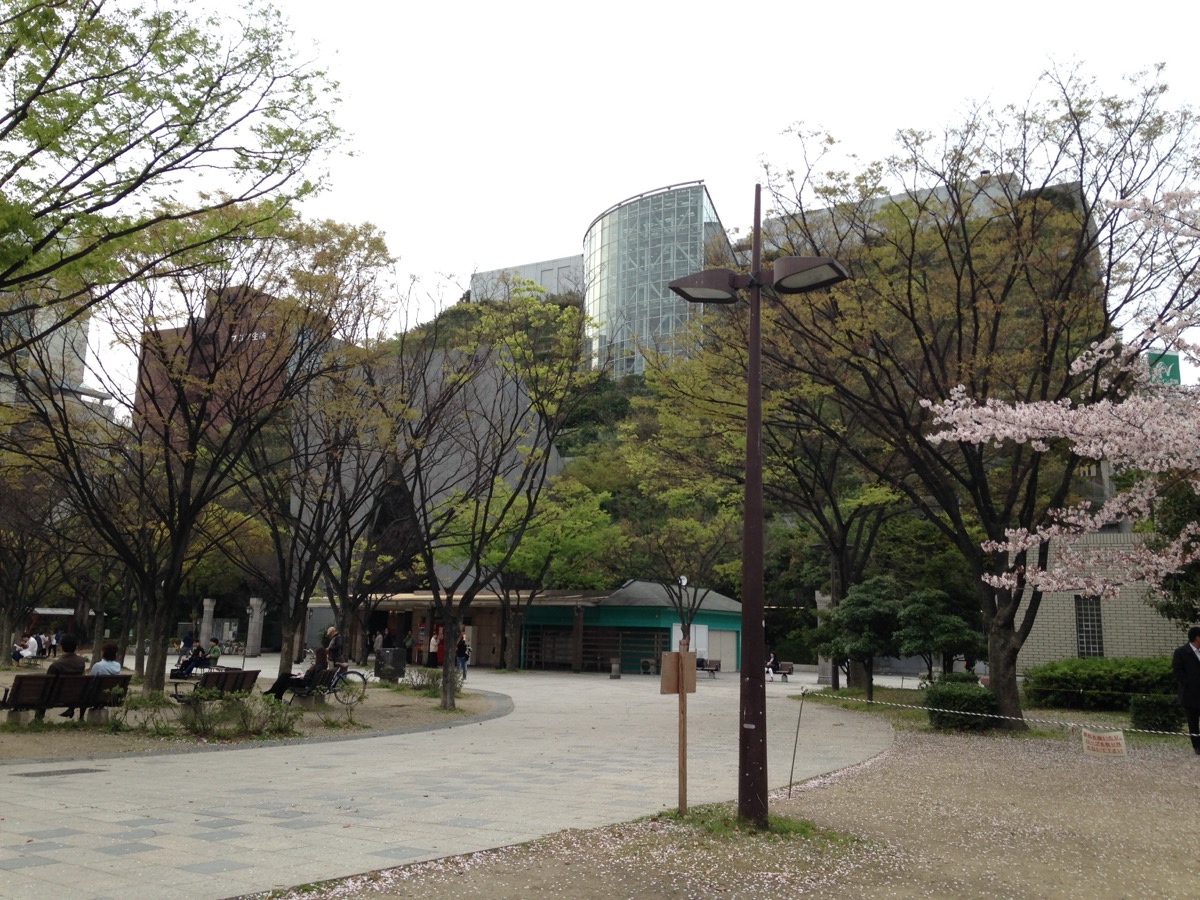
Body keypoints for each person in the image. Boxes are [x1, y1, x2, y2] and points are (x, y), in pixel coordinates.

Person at [61, 641, 121, 719]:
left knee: (84, 689)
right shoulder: (117, 665)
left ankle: (78, 714)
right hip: (109, 695)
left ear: (103, 653)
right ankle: (71, 710)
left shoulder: (98, 666)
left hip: (95, 695)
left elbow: (90, 680)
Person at [1172, 626, 1200, 755]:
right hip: (1191, 694)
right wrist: (1189, 684)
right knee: (1193, 722)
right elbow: (1178, 672)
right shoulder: (1181, 652)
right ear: (1197, 638)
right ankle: (1197, 745)